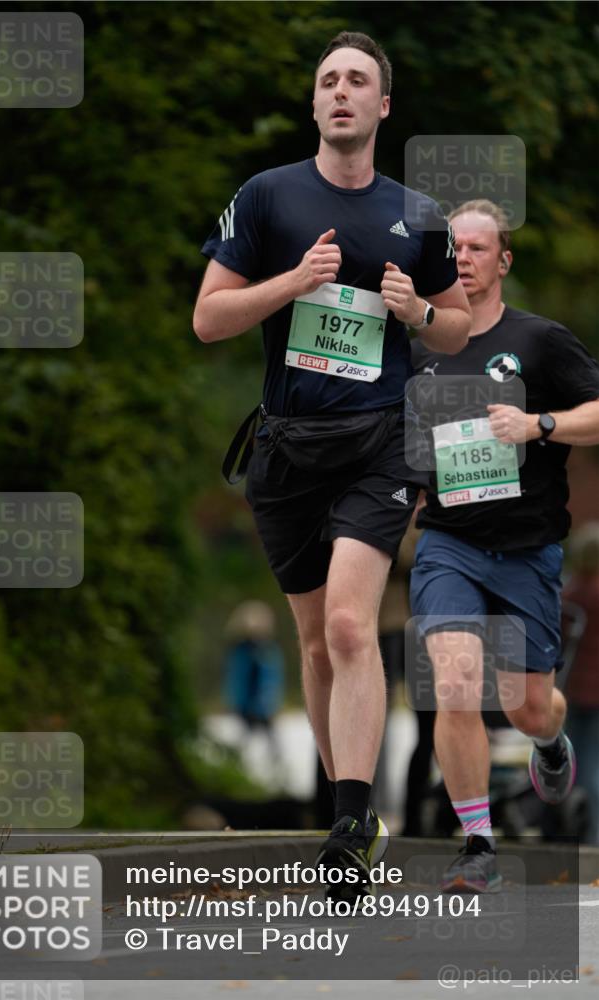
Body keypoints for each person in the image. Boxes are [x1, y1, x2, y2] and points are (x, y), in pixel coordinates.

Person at [194, 30, 470, 898]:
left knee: (351, 627)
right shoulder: (267, 197)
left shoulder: (417, 215)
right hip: (286, 447)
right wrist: (291, 282)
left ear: (381, 106)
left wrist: (417, 311)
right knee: (314, 643)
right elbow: (208, 319)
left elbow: (459, 328)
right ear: (314, 103)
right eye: (328, 81)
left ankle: (350, 825)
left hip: (378, 442)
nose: (340, 91)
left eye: (357, 80)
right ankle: (350, 811)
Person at [409, 198, 599, 891]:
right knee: (455, 683)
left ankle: (549, 741)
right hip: (448, 542)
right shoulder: (419, 348)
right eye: (452, 248)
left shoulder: (540, 340)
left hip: (525, 549)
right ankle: (478, 844)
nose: (462, 259)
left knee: (526, 707)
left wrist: (538, 424)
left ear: (503, 261)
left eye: (477, 248)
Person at [562, 523, 599, 845]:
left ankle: (578, 833)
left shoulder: (571, 593)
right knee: (594, 765)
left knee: (577, 765)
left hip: (575, 690)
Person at [223, 600, 285, 768]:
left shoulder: (266, 651)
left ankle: (274, 766)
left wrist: (267, 701)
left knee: (264, 736)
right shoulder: (242, 651)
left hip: (261, 705)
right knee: (253, 734)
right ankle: (235, 764)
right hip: (247, 704)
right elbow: (237, 680)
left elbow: (271, 679)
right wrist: (237, 702)